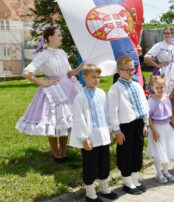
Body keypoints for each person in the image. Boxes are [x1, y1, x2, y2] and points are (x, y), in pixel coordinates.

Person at [16, 27, 84, 163]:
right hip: (54, 91)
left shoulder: (63, 53)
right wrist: (43, 83)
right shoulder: (44, 55)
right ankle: (56, 153)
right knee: (54, 121)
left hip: (68, 89)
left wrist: (80, 67)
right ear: (50, 38)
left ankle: (63, 151)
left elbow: (69, 73)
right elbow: (26, 72)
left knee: (66, 122)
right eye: (59, 35)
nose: (61, 38)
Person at [70, 64, 118, 202]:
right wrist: (84, 138)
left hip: (103, 136)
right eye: (93, 77)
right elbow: (79, 119)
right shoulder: (80, 97)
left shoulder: (102, 93)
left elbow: (107, 113)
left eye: (98, 77)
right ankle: (90, 193)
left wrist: (110, 131)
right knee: (90, 165)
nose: (96, 80)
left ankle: (104, 188)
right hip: (90, 138)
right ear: (84, 77)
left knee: (105, 163)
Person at [108, 56, 149, 195]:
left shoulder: (137, 86)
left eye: (133, 69)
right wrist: (116, 131)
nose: (131, 72)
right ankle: (127, 182)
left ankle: (135, 179)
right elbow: (112, 112)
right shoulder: (115, 89)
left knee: (137, 150)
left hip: (138, 124)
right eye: (127, 70)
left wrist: (145, 122)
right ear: (119, 70)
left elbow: (144, 105)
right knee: (126, 153)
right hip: (125, 126)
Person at [147, 75, 174, 184]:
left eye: (162, 87)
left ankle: (166, 171)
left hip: (167, 128)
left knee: (166, 150)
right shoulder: (151, 102)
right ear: (152, 88)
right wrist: (154, 131)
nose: (160, 90)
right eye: (157, 88)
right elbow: (148, 117)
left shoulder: (166, 98)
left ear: (165, 87)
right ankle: (159, 173)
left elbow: (170, 113)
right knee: (158, 152)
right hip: (157, 129)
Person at [144, 27, 174, 93]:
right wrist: (157, 65)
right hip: (163, 71)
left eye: (168, 33)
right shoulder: (159, 45)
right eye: (164, 33)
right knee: (162, 89)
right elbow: (146, 57)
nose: (166, 35)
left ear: (172, 34)